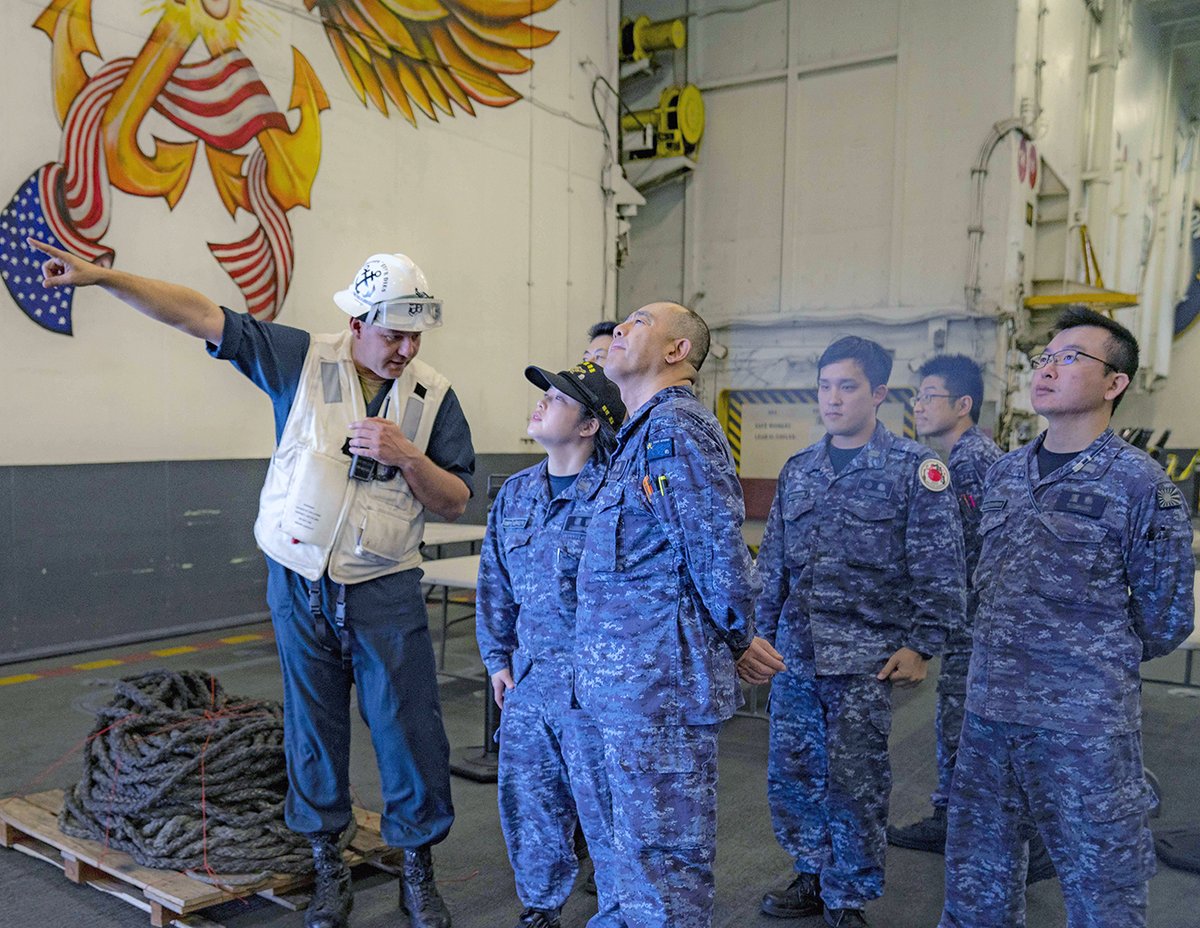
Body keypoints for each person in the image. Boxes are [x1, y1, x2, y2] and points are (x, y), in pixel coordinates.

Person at [28, 238, 472, 928]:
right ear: (357, 324)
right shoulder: (299, 358)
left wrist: (408, 455)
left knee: (407, 729)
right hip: (298, 583)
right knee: (312, 728)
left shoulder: (435, 399)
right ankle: (328, 866)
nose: (406, 349)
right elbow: (196, 315)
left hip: (383, 586)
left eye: (415, 335)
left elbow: (454, 500)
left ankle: (418, 870)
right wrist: (100, 277)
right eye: (394, 334)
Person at [939, 307, 1194, 928]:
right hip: (990, 714)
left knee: (1102, 885)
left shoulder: (1141, 486)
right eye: (1043, 358)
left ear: (1115, 383)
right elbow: (982, 582)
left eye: (1071, 357)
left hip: (1082, 728)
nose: (1048, 368)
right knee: (977, 880)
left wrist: (1087, 660)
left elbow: (1167, 616)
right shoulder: (1004, 474)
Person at [573, 301, 784, 928]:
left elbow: (716, 546)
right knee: (629, 852)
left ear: (676, 353)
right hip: (623, 685)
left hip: (657, 689)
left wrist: (737, 635)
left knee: (663, 857)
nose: (619, 330)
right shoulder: (638, 434)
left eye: (638, 321)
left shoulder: (677, 430)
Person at [756, 336, 966, 928]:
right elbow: (772, 566)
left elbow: (940, 566)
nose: (832, 398)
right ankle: (812, 872)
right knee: (793, 777)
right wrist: (757, 638)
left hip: (865, 661)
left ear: (877, 394)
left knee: (857, 783)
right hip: (796, 657)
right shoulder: (800, 470)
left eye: (846, 386)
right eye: (824, 386)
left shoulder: (914, 472)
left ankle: (847, 897)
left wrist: (922, 643)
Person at [476, 361, 626, 928]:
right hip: (531, 681)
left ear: (590, 425)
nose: (542, 402)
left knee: (607, 815)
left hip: (597, 688)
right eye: (544, 393)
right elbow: (496, 584)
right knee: (529, 806)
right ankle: (541, 907)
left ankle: (616, 914)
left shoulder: (616, 497)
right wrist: (496, 659)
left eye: (560, 398)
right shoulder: (517, 493)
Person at [886, 355, 1004, 854]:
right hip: (973, 618)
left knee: (960, 719)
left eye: (929, 396)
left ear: (963, 404)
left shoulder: (969, 461)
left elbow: (964, 547)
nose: (919, 405)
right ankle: (961, 815)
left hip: (975, 620)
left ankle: (954, 820)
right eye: (916, 396)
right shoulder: (965, 456)